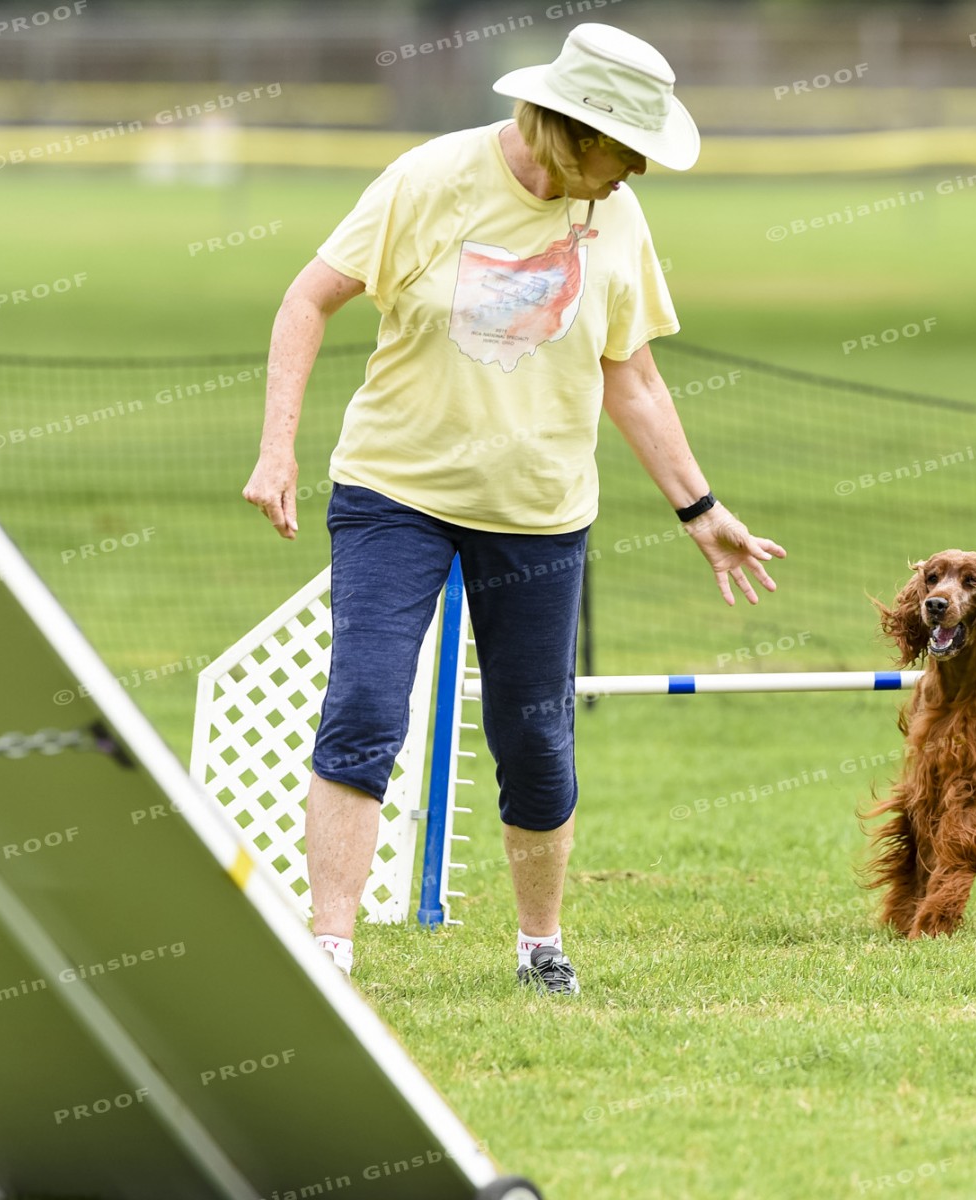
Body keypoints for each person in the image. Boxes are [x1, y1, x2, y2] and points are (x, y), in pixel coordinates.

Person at [242, 24, 783, 995]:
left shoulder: (618, 217)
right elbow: (305, 301)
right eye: (628, 151)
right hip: (394, 494)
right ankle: (329, 950)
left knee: (533, 737)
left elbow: (632, 375)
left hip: (539, 513)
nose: (637, 172)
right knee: (365, 706)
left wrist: (701, 509)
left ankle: (540, 946)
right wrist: (277, 448)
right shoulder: (428, 180)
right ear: (575, 132)